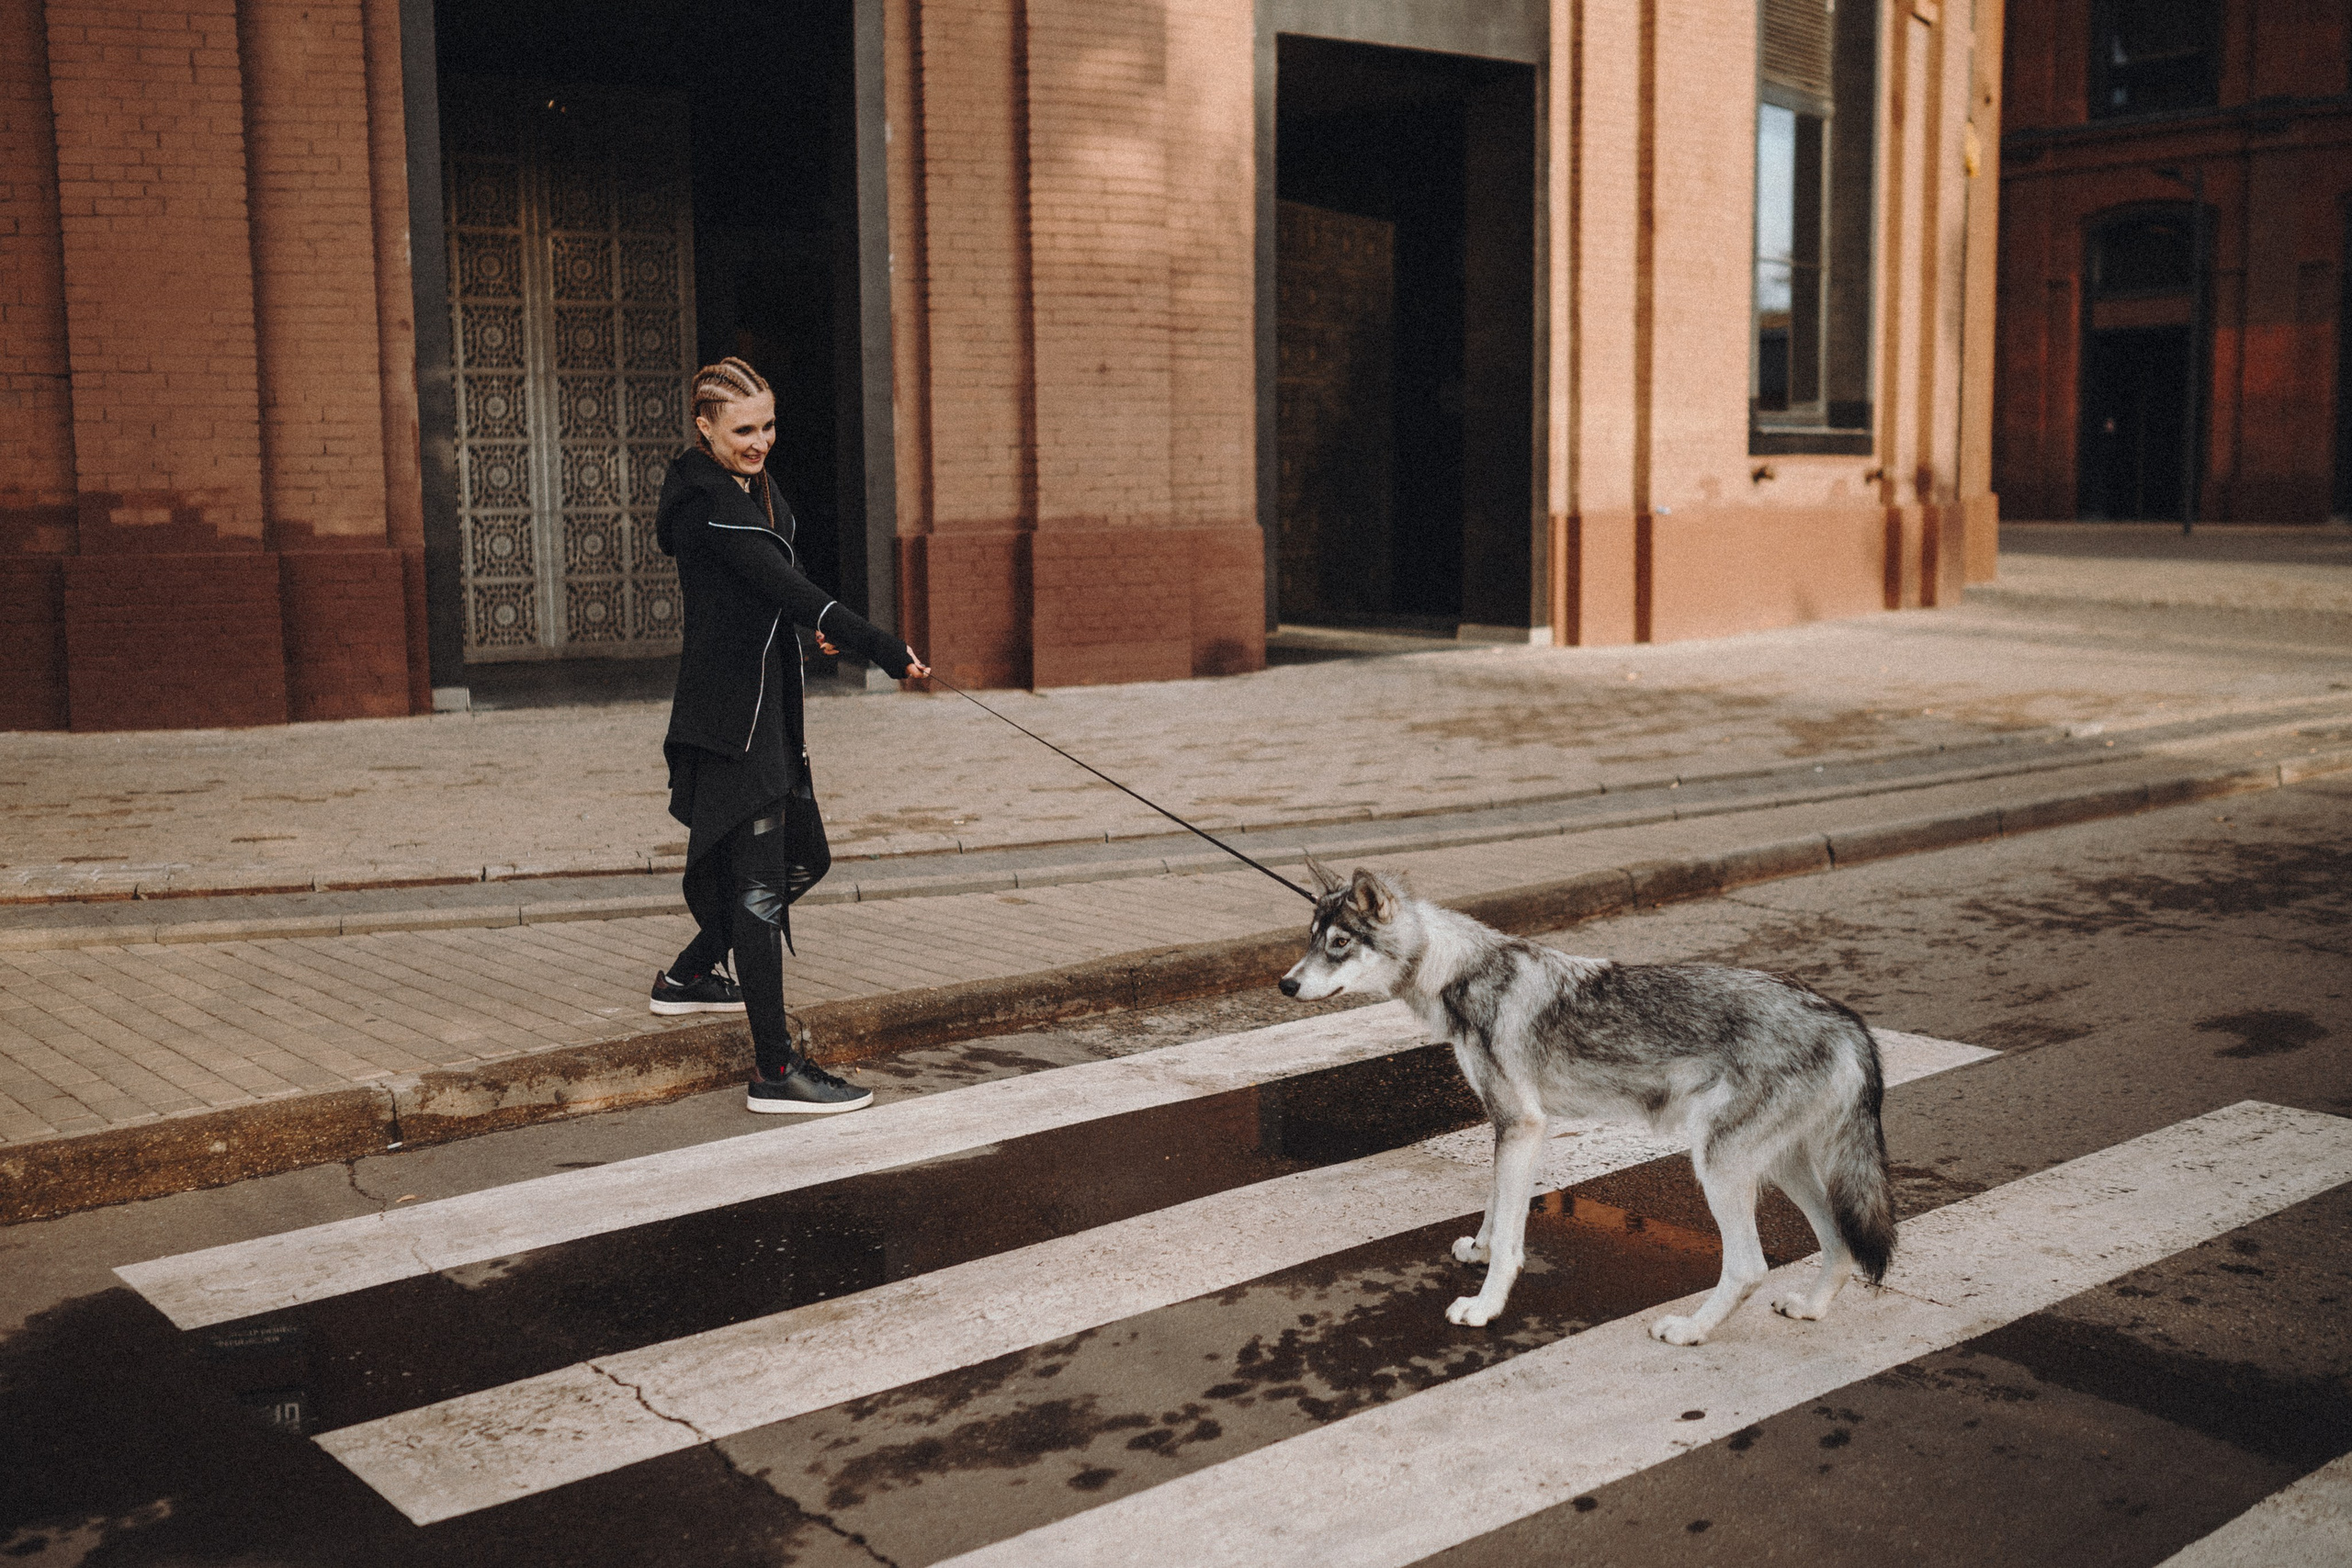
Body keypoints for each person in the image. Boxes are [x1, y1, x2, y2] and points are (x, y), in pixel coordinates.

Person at [650, 356, 930, 1113]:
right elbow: (789, 589)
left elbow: (770, 600)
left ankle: (685, 977)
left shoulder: (748, 489)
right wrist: (878, 644)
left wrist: (812, 636)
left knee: (804, 857)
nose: (761, 441)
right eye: (743, 429)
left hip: (764, 709)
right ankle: (774, 1072)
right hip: (733, 720)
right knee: (762, 887)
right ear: (704, 426)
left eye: (768, 425)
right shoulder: (711, 505)